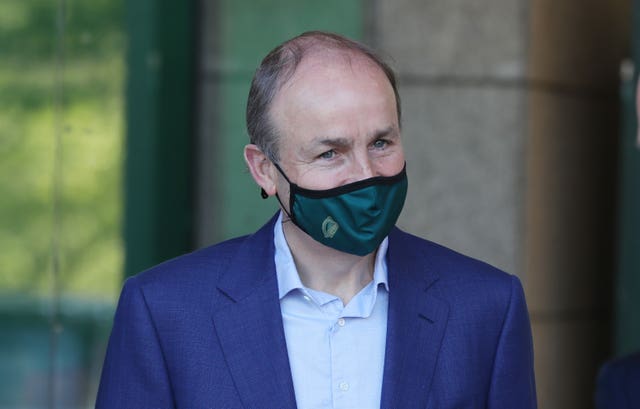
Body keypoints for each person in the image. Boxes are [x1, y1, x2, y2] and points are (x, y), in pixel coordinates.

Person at [96, 31, 537, 408]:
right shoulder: (164, 313)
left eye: (381, 143)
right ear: (264, 169)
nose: (365, 174)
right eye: (330, 153)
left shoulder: (486, 308)